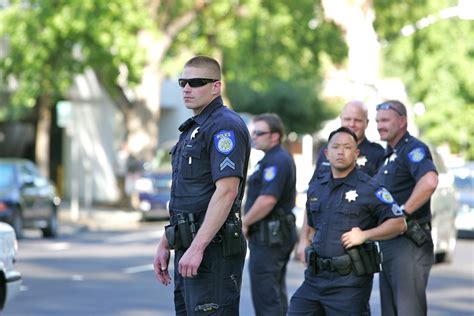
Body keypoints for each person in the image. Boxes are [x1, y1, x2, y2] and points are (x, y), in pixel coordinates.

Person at [153, 56, 251, 315]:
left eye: (196, 82)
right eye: (183, 82)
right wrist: (166, 241)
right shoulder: (194, 128)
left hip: (212, 251)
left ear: (216, 87)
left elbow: (227, 191)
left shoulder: (224, 126)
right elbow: (190, 195)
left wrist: (197, 248)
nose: (186, 88)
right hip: (189, 247)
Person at [287, 127, 406, 315]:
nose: (340, 152)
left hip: (349, 284)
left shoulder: (370, 188)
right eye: (335, 147)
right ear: (327, 153)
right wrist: (303, 240)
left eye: (347, 147)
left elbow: (399, 223)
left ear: (356, 153)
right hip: (314, 278)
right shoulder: (317, 186)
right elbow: (310, 220)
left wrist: (365, 235)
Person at [297, 100, 385, 262]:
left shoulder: (377, 154)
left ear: (367, 123)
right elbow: (313, 197)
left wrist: (367, 235)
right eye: (347, 119)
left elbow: (383, 205)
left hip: (355, 248)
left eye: (357, 120)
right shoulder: (328, 150)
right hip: (323, 240)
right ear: (341, 120)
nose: (352, 124)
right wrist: (304, 238)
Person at [374, 100, 439, 316]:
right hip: (390, 243)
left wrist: (403, 213)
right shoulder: (389, 154)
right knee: (390, 311)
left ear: (402, 121)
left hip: (408, 243)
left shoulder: (413, 148)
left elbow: (429, 181)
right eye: (377, 121)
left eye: (385, 120)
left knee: (408, 311)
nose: (379, 125)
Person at [241, 113, 297, 316]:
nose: (254, 136)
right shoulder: (269, 159)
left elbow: (267, 200)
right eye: (253, 133)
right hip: (269, 235)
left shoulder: (277, 160)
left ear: (275, 136)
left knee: (267, 296)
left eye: (259, 133)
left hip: (270, 236)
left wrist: (244, 223)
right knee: (273, 293)